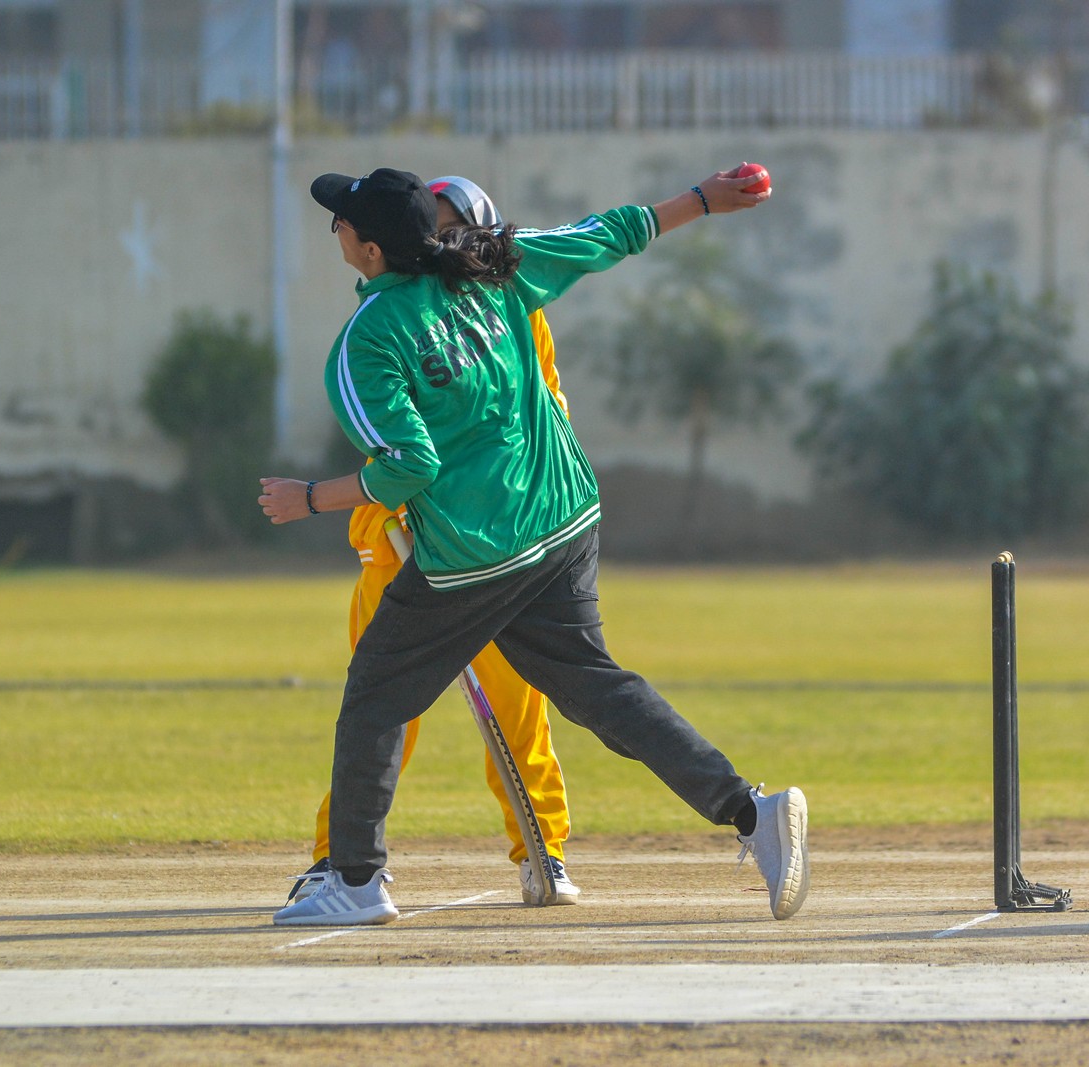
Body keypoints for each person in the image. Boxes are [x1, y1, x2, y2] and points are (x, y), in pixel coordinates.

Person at [258, 163, 807, 927]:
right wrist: (703, 201)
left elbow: (410, 467)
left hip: (477, 552)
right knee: (596, 689)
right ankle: (751, 810)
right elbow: (607, 235)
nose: (336, 231)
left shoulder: (369, 338)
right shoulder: (494, 266)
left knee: (376, 697)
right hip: (564, 519)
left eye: (340, 223)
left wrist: (310, 497)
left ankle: (354, 880)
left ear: (372, 250)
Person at [287, 175, 581, 909]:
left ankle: (542, 848)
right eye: (432, 230)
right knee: (380, 709)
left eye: (453, 231)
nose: (439, 244)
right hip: (395, 540)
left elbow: (538, 416)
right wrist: (389, 522)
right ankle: (338, 860)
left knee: (519, 709)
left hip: (490, 542)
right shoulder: (394, 314)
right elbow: (394, 445)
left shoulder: (509, 303)